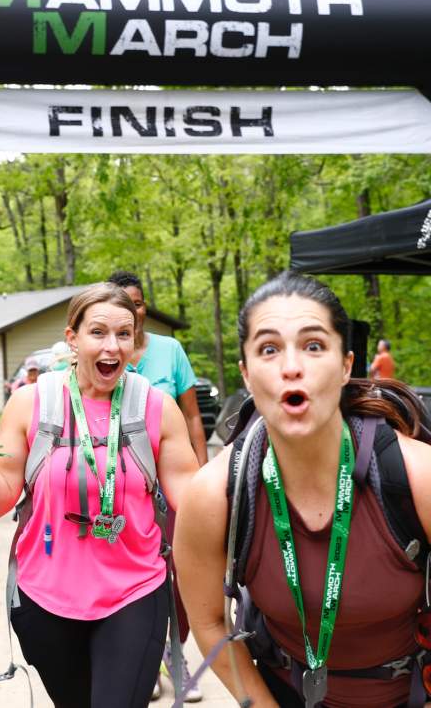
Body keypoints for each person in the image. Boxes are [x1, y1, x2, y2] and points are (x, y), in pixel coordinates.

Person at [0, 283, 199, 708]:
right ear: (73, 338)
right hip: (44, 599)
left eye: (124, 334)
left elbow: (194, 502)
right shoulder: (32, 403)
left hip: (134, 592)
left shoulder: (156, 407)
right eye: (98, 333)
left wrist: (243, 469)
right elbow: (0, 498)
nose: (113, 346)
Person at [174, 272, 431, 708]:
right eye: (269, 349)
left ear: (347, 365)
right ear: (247, 374)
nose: (291, 366)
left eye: (313, 346)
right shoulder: (214, 495)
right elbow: (210, 624)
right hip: (284, 692)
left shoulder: (415, 475)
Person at [108, 269, 207, 702]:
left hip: (171, 487)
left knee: (181, 575)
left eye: (139, 301)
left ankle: (177, 659)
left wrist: (204, 482)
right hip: (120, 491)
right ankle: (143, 664)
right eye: (123, 302)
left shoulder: (170, 350)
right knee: (129, 579)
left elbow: (192, 418)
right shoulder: (104, 355)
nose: (134, 309)